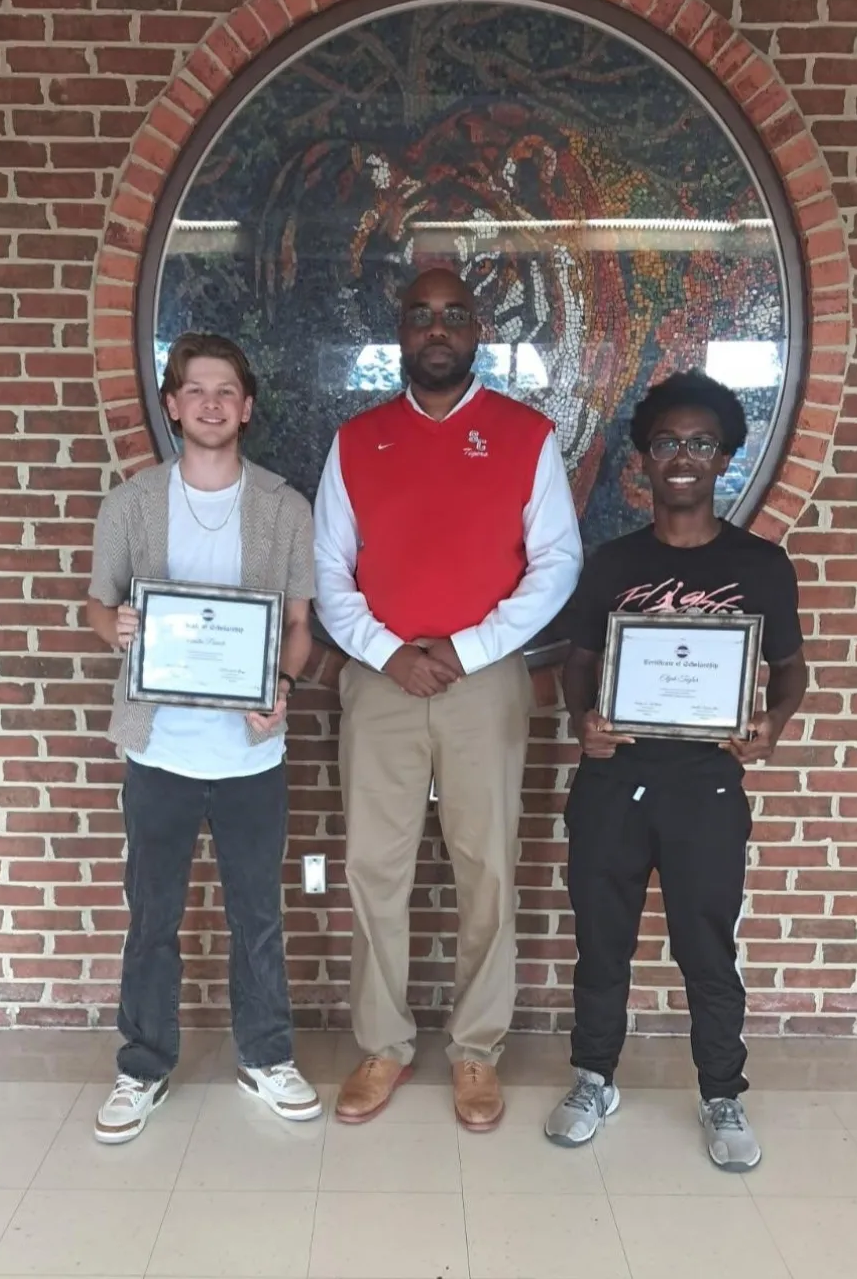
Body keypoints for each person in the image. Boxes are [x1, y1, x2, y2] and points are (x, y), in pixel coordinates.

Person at [314, 268, 583, 1130]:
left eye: (453, 317)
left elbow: (556, 566)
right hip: (380, 681)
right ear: (401, 331)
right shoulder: (357, 440)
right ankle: (383, 1044)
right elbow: (327, 572)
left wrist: (464, 649)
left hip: (484, 684)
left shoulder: (525, 435)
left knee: (488, 869)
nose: (437, 330)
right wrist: (390, 652)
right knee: (374, 869)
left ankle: (477, 1051)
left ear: (477, 330)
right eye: (420, 317)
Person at [544, 369, 808, 1171]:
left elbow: (790, 670)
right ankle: (594, 1077)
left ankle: (722, 1092)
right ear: (643, 459)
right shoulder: (611, 561)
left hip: (708, 788)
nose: (683, 456)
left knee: (705, 945)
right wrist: (581, 721)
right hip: (613, 782)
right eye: (667, 442)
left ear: (724, 456)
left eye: (700, 443)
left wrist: (772, 722)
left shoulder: (761, 566)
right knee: (603, 941)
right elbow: (577, 661)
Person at [86, 331, 321, 1144]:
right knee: (152, 916)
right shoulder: (132, 503)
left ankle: (266, 1056)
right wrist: (113, 625)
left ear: (246, 407)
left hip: (251, 753)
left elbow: (298, 626)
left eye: (227, 391)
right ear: (174, 403)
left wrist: (282, 687)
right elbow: (97, 604)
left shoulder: (286, 507)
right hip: (158, 751)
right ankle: (142, 1065)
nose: (212, 403)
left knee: (257, 913)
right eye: (197, 390)